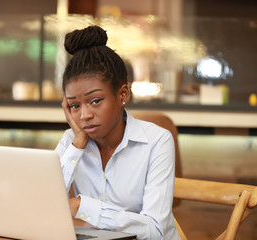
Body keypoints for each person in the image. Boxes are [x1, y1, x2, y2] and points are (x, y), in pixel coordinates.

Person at [55, 25, 180, 240]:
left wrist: (83, 206)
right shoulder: (71, 142)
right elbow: (43, 205)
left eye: (95, 101)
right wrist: (78, 143)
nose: (84, 115)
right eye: (75, 106)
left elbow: (155, 231)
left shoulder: (157, 141)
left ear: (122, 94)